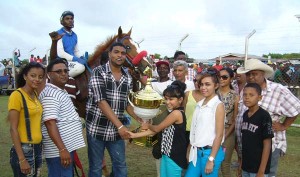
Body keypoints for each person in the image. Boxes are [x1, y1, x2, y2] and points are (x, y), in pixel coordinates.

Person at [85, 42, 142, 177]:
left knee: (120, 165)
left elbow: (126, 103)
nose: (120, 55)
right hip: (96, 129)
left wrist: (139, 118)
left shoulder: (127, 77)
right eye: (116, 52)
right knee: (96, 167)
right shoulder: (99, 72)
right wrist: (121, 126)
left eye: (122, 53)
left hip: (116, 132)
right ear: (110, 54)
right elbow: (101, 102)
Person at [236, 59, 300, 177]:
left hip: (269, 145)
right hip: (248, 145)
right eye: (248, 74)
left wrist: (284, 125)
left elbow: (296, 107)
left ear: (263, 74)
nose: (251, 77)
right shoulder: (246, 90)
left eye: (254, 74)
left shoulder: (278, 90)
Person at [129, 81, 188, 177]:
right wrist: (134, 135)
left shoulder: (176, 113)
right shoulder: (172, 112)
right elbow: (155, 130)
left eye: (171, 99)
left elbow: (156, 128)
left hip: (175, 156)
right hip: (166, 154)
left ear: (180, 99)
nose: (167, 102)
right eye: (166, 98)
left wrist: (147, 125)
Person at [39, 58, 85, 176]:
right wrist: (62, 149)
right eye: (59, 71)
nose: (64, 74)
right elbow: (50, 123)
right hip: (58, 151)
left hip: (64, 148)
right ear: (49, 74)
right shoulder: (50, 94)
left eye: (66, 71)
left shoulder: (60, 90)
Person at [8, 62, 45, 176]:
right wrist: (22, 159)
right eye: (33, 76)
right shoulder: (17, 95)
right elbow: (13, 129)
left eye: (40, 77)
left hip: (38, 148)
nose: (37, 79)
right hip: (25, 149)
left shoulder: (35, 95)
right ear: (25, 76)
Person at [185, 72, 225, 177]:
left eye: (207, 84)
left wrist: (211, 159)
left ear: (216, 86)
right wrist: (190, 147)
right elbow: (195, 129)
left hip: (209, 153)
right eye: (201, 84)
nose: (203, 87)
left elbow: (219, 135)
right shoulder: (199, 104)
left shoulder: (218, 105)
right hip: (197, 151)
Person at [241, 83, 274, 177]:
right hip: (246, 165)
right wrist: (241, 163)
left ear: (259, 97)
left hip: (258, 168)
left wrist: (261, 171)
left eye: (251, 95)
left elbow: (267, 144)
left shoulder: (264, 116)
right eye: (245, 94)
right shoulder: (245, 114)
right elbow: (246, 142)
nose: (247, 97)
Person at [217, 68, 239, 177]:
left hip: (228, 132)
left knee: (225, 164)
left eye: (224, 77)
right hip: (212, 131)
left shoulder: (235, 96)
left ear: (231, 79)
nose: (221, 79)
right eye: (219, 76)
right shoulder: (213, 93)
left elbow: (235, 119)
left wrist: (225, 135)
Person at [57, 11, 86, 77]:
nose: (70, 20)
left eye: (71, 18)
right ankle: (65, 80)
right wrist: (76, 59)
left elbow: (76, 51)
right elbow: (61, 53)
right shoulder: (58, 33)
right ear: (62, 21)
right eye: (67, 19)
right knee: (80, 68)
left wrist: (81, 57)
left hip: (72, 61)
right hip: (61, 61)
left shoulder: (75, 35)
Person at [183, 72, 204, 147]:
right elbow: (183, 111)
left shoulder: (208, 97)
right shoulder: (187, 94)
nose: (196, 83)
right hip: (187, 129)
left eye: (199, 81)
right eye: (195, 80)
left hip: (202, 130)